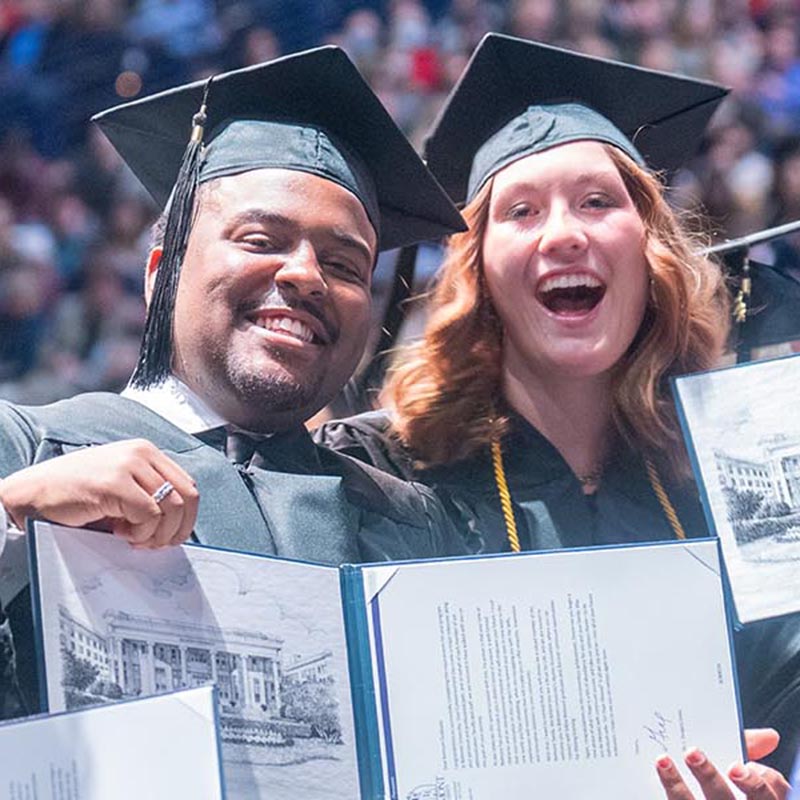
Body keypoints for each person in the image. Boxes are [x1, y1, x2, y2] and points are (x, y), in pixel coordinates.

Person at [316, 34, 795, 798]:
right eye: (522, 211)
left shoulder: (732, 485)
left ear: (650, 250)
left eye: (599, 202)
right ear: (478, 271)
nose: (565, 232)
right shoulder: (385, 481)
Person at [0, 46, 469, 718]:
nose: (306, 275)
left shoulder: (412, 522)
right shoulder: (30, 449)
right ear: (161, 271)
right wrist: (14, 517)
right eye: (259, 239)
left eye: (345, 264)